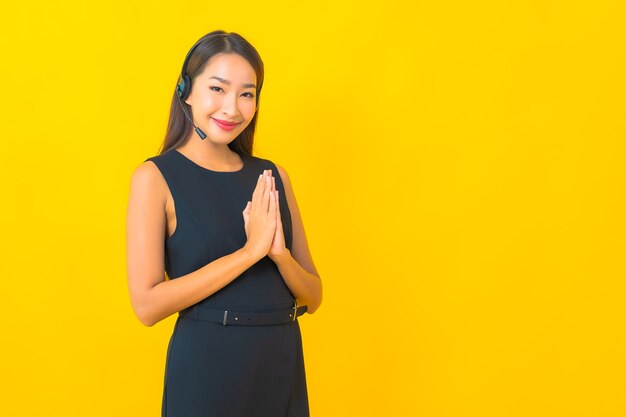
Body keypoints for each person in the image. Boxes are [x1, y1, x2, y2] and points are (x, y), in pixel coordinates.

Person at [125, 30, 322, 417]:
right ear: (186, 91)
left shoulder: (273, 176)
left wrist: (279, 255)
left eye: (247, 94)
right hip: (208, 369)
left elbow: (313, 297)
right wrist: (250, 252)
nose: (232, 108)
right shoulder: (155, 177)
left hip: (279, 365)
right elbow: (147, 306)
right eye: (217, 88)